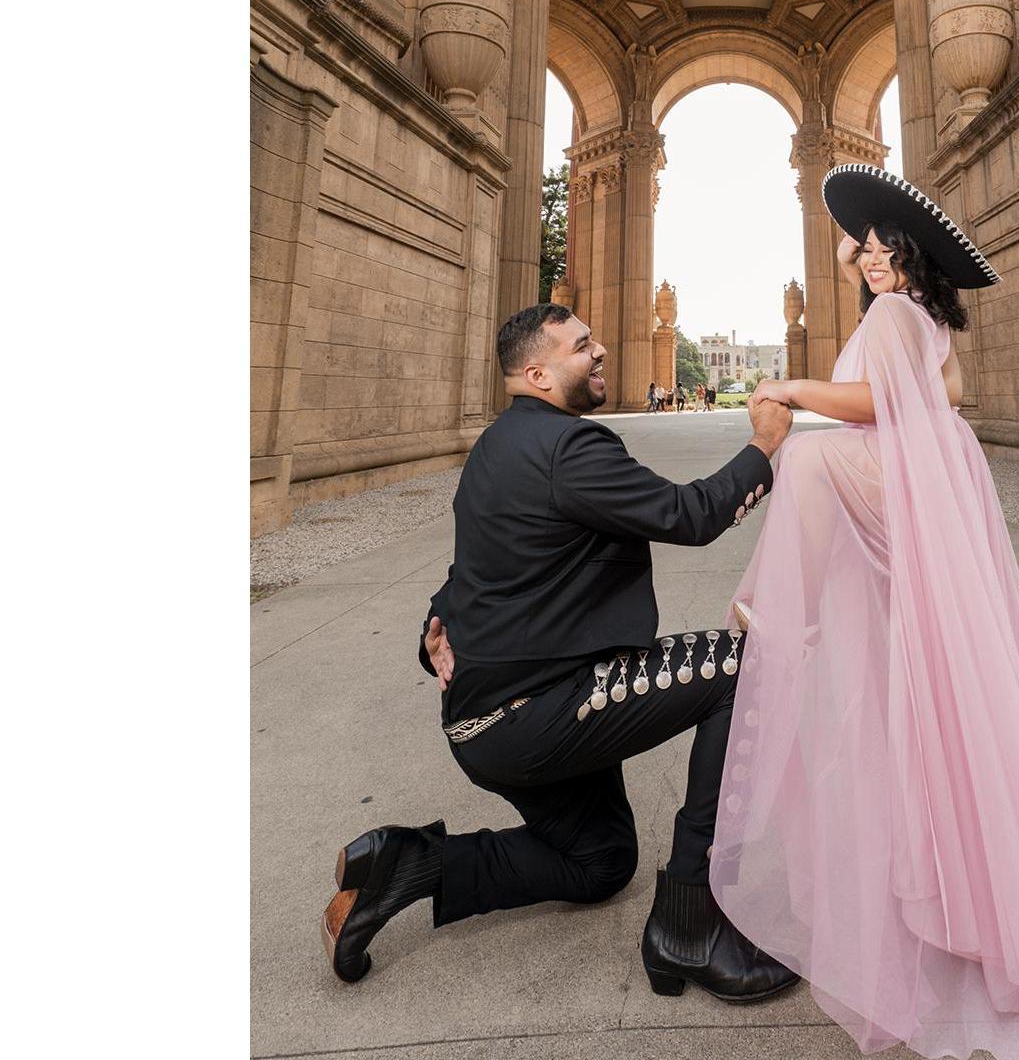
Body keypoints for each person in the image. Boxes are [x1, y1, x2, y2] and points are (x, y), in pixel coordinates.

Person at [710, 164, 1019, 1060]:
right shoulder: (921, 322)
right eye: (863, 250)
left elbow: (881, 407)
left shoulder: (895, 317)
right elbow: (950, 400)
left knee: (806, 463)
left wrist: (793, 392)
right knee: (928, 686)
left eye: (879, 248)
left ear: (907, 259)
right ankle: (968, 886)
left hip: (899, 481)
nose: (863, 258)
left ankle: (775, 607)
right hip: (926, 492)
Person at [320, 303, 798, 1004]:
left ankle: (410, 863)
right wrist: (763, 447)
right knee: (742, 665)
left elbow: (477, 569)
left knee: (599, 863)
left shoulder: (495, 447)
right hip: (537, 713)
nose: (601, 351)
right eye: (582, 347)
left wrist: (435, 626)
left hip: (487, 721)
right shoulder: (571, 450)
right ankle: (690, 923)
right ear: (538, 372)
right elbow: (689, 516)